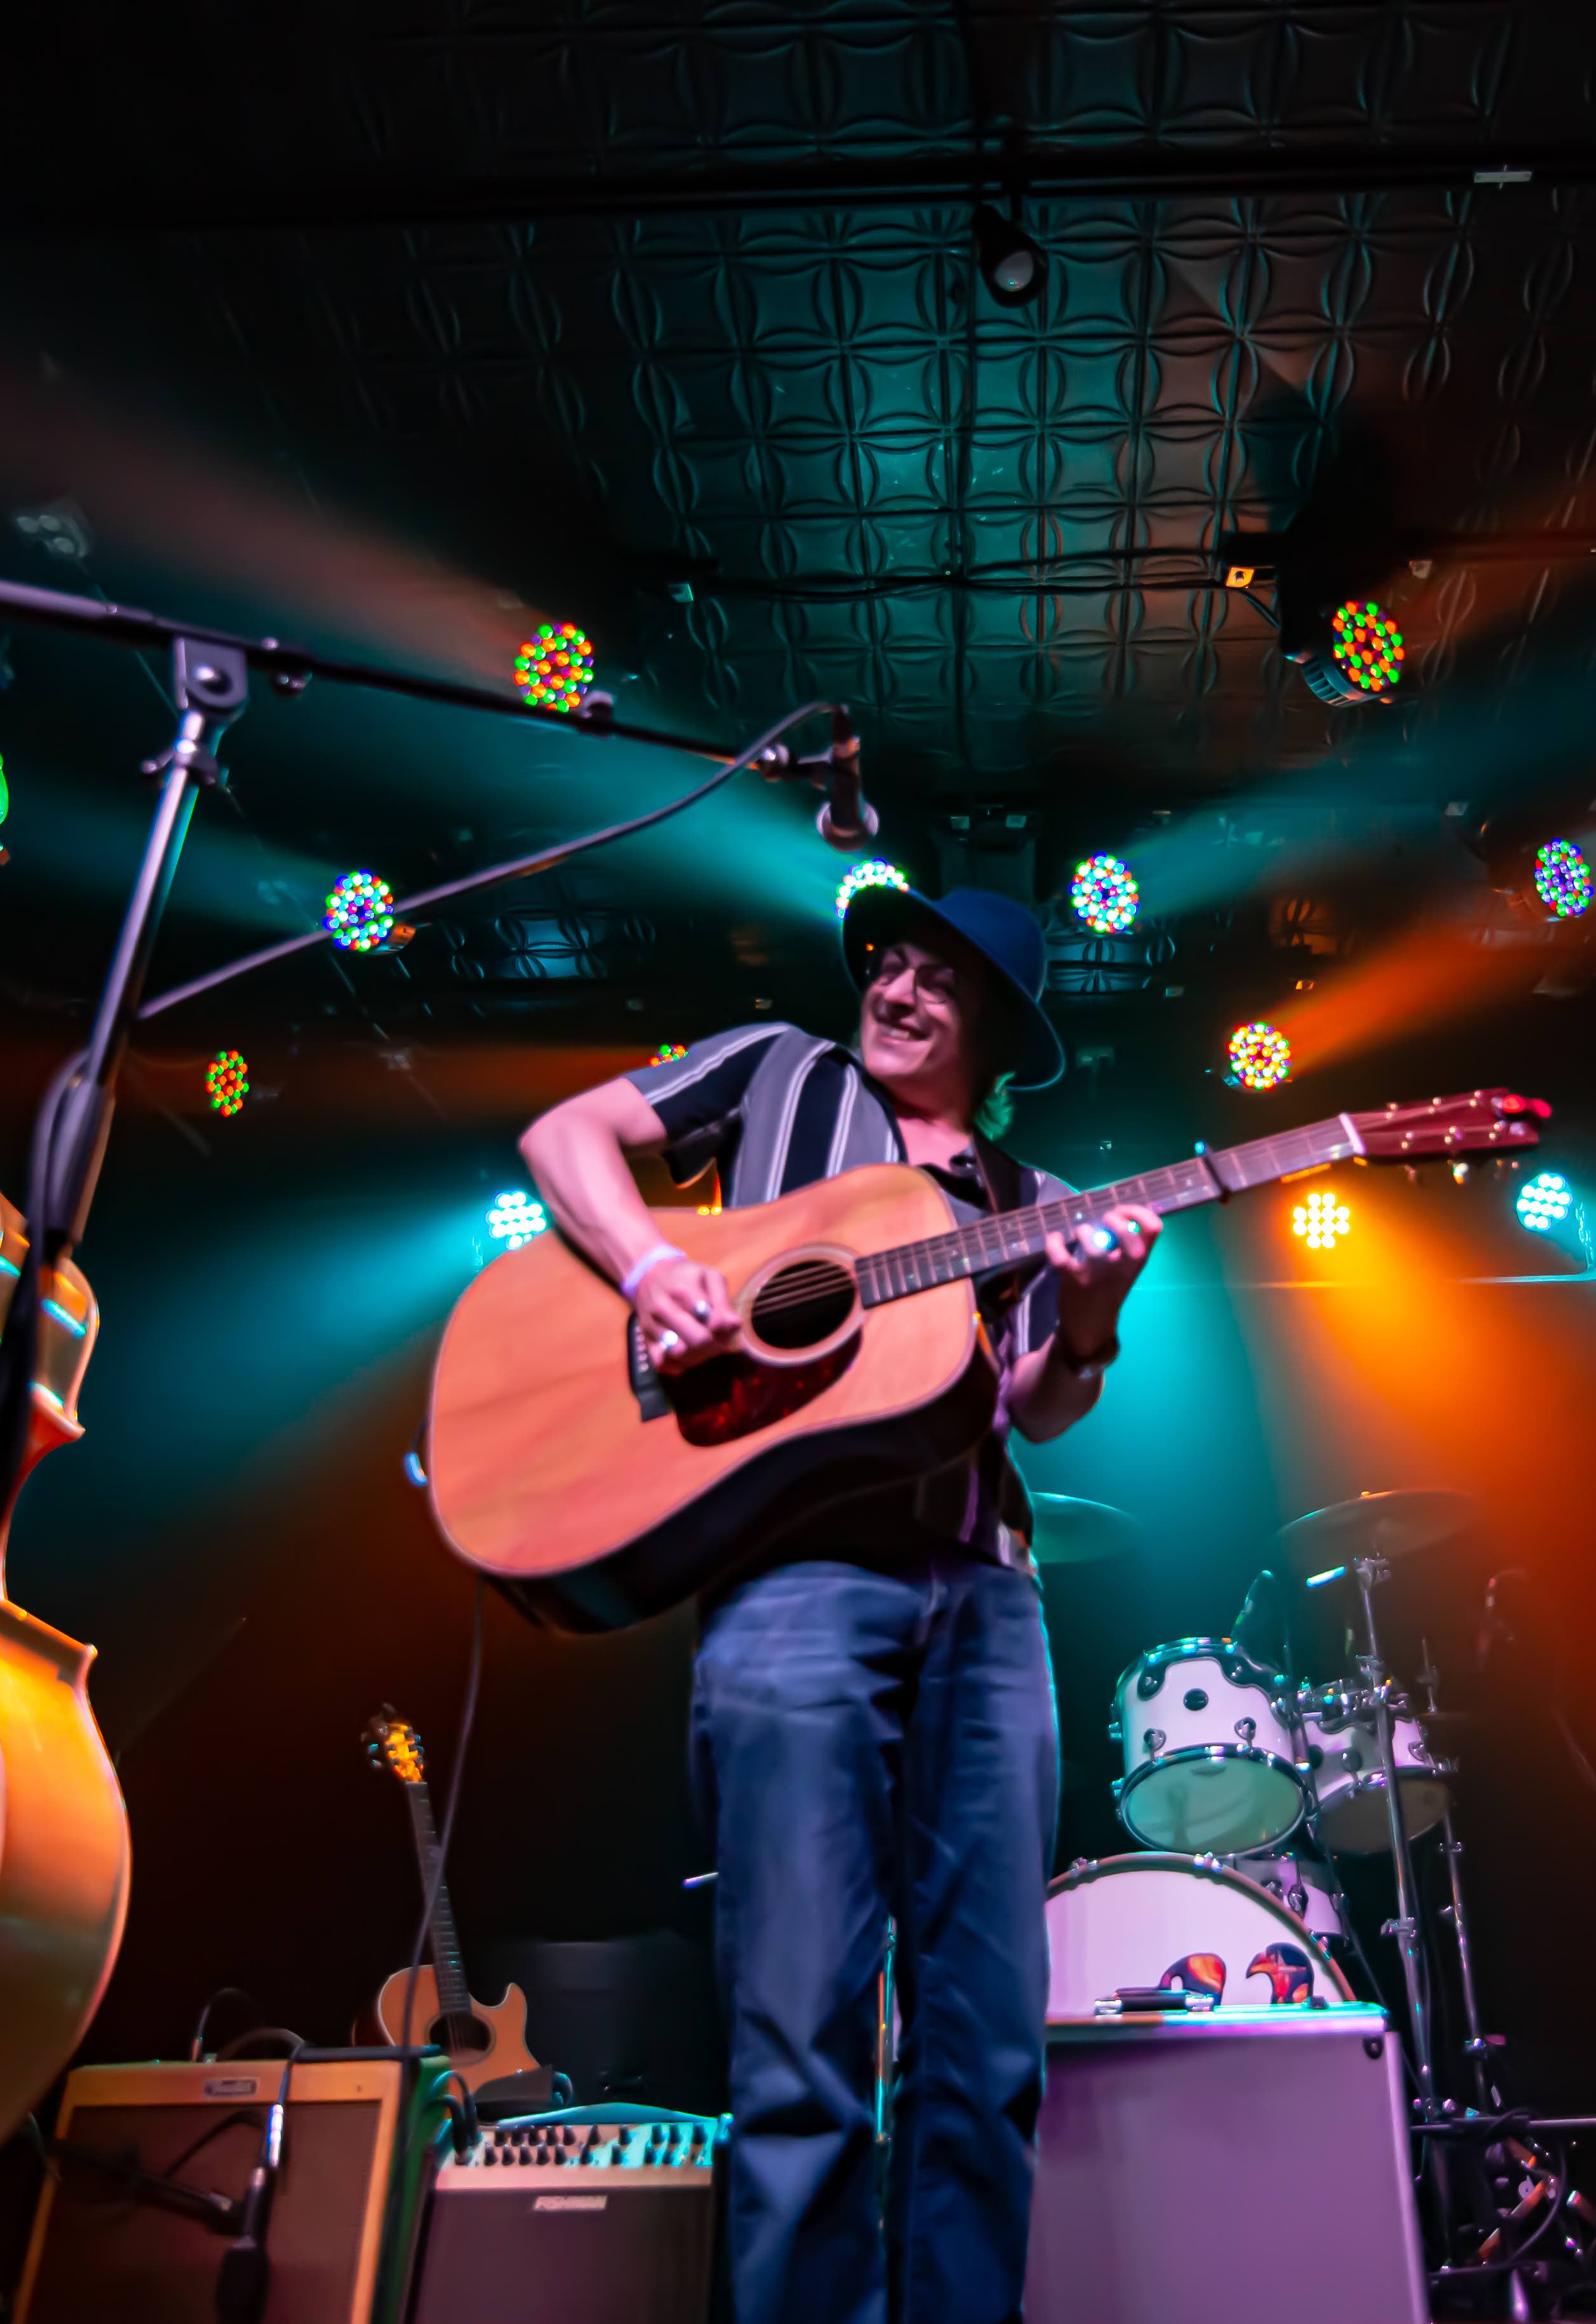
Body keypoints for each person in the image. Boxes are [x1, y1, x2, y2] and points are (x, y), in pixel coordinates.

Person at [517, 883, 1157, 2324]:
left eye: (940, 978)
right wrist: (654, 1264)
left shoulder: (1034, 1201)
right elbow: (566, 1138)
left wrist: (1093, 1319)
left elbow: (1037, 1408)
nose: (898, 988)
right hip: (794, 1586)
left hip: (986, 1599)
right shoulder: (780, 1071)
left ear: (997, 1033)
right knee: (798, 2033)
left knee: (989, 2048)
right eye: (891, 962)